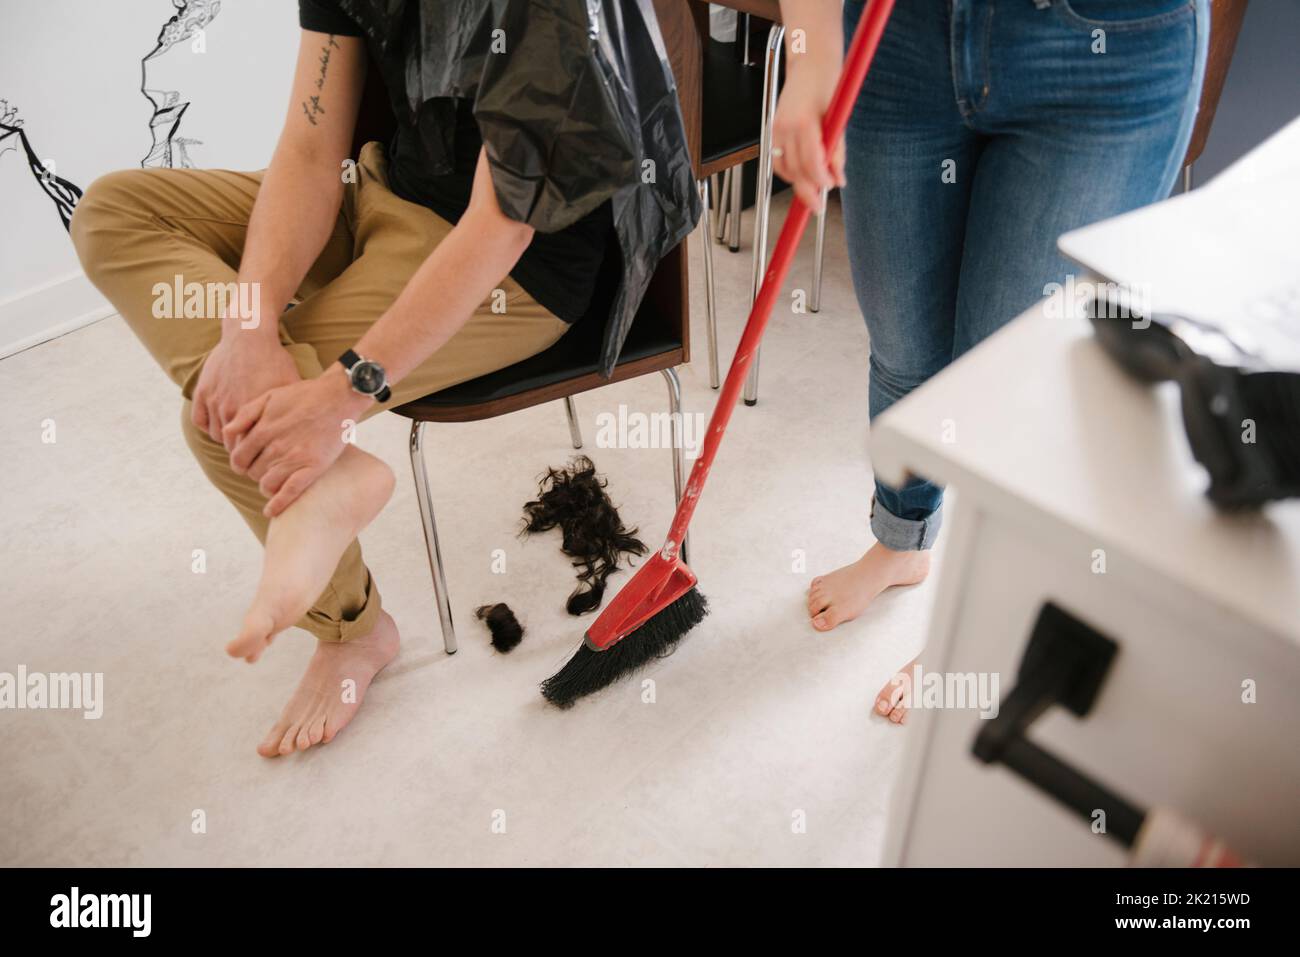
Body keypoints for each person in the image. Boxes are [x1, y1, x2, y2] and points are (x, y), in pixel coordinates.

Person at [70, 0, 693, 756]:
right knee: (113, 211)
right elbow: (308, 147)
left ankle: (353, 632)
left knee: (225, 425)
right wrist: (249, 323)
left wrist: (335, 402)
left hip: (510, 266)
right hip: (378, 185)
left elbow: (501, 225)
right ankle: (323, 486)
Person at [771, 0, 1207, 721]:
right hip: (899, 35)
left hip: (1107, 51)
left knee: (1006, 389)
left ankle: (980, 630)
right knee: (905, 354)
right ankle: (901, 542)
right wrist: (812, 50)